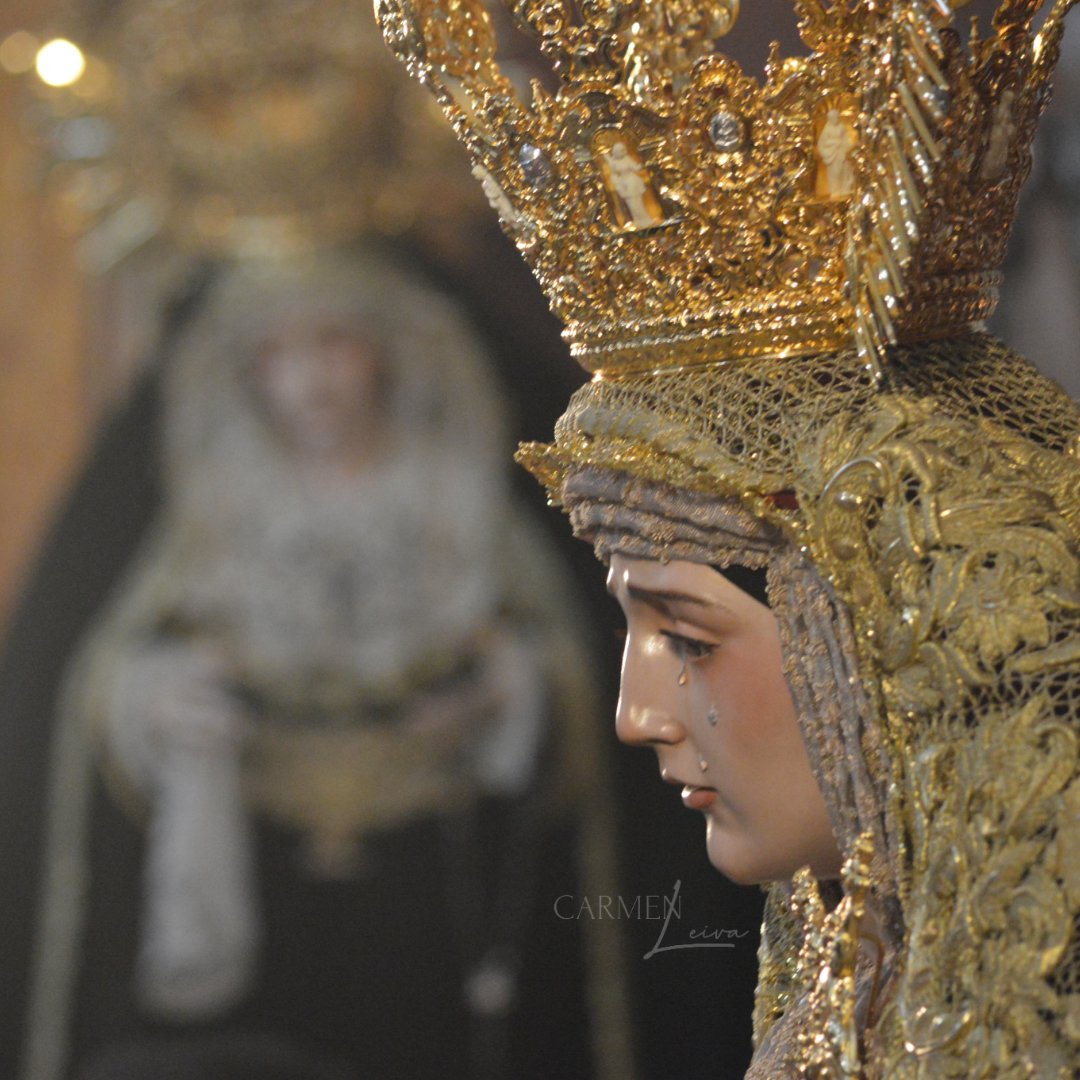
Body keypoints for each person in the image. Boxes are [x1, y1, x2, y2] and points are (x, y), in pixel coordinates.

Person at [379, 0, 1080, 1073]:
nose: (634, 713)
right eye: (636, 630)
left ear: (891, 643)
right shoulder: (857, 983)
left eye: (690, 639)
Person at [12, 250, 616, 1080]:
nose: (311, 380)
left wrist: (499, 697)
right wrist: (155, 701)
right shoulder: (217, 502)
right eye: (279, 355)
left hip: (431, 872)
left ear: (386, 353)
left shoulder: (452, 493)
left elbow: (564, 658)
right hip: (261, 870)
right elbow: (98, 669)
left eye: (335, 344)